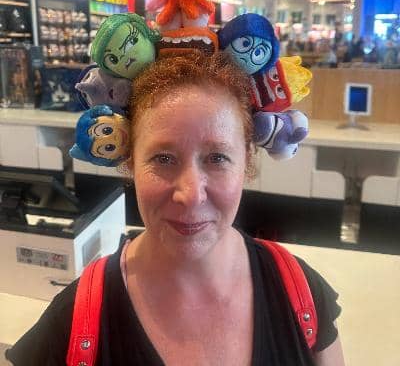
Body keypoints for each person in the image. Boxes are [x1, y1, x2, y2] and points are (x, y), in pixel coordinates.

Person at [6, 52, 345, 366]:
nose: (191, 195)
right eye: (163, 159)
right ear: (131, 161)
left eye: (217, 158)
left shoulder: (300, 293)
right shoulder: (75, 322)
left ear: (246, 161)